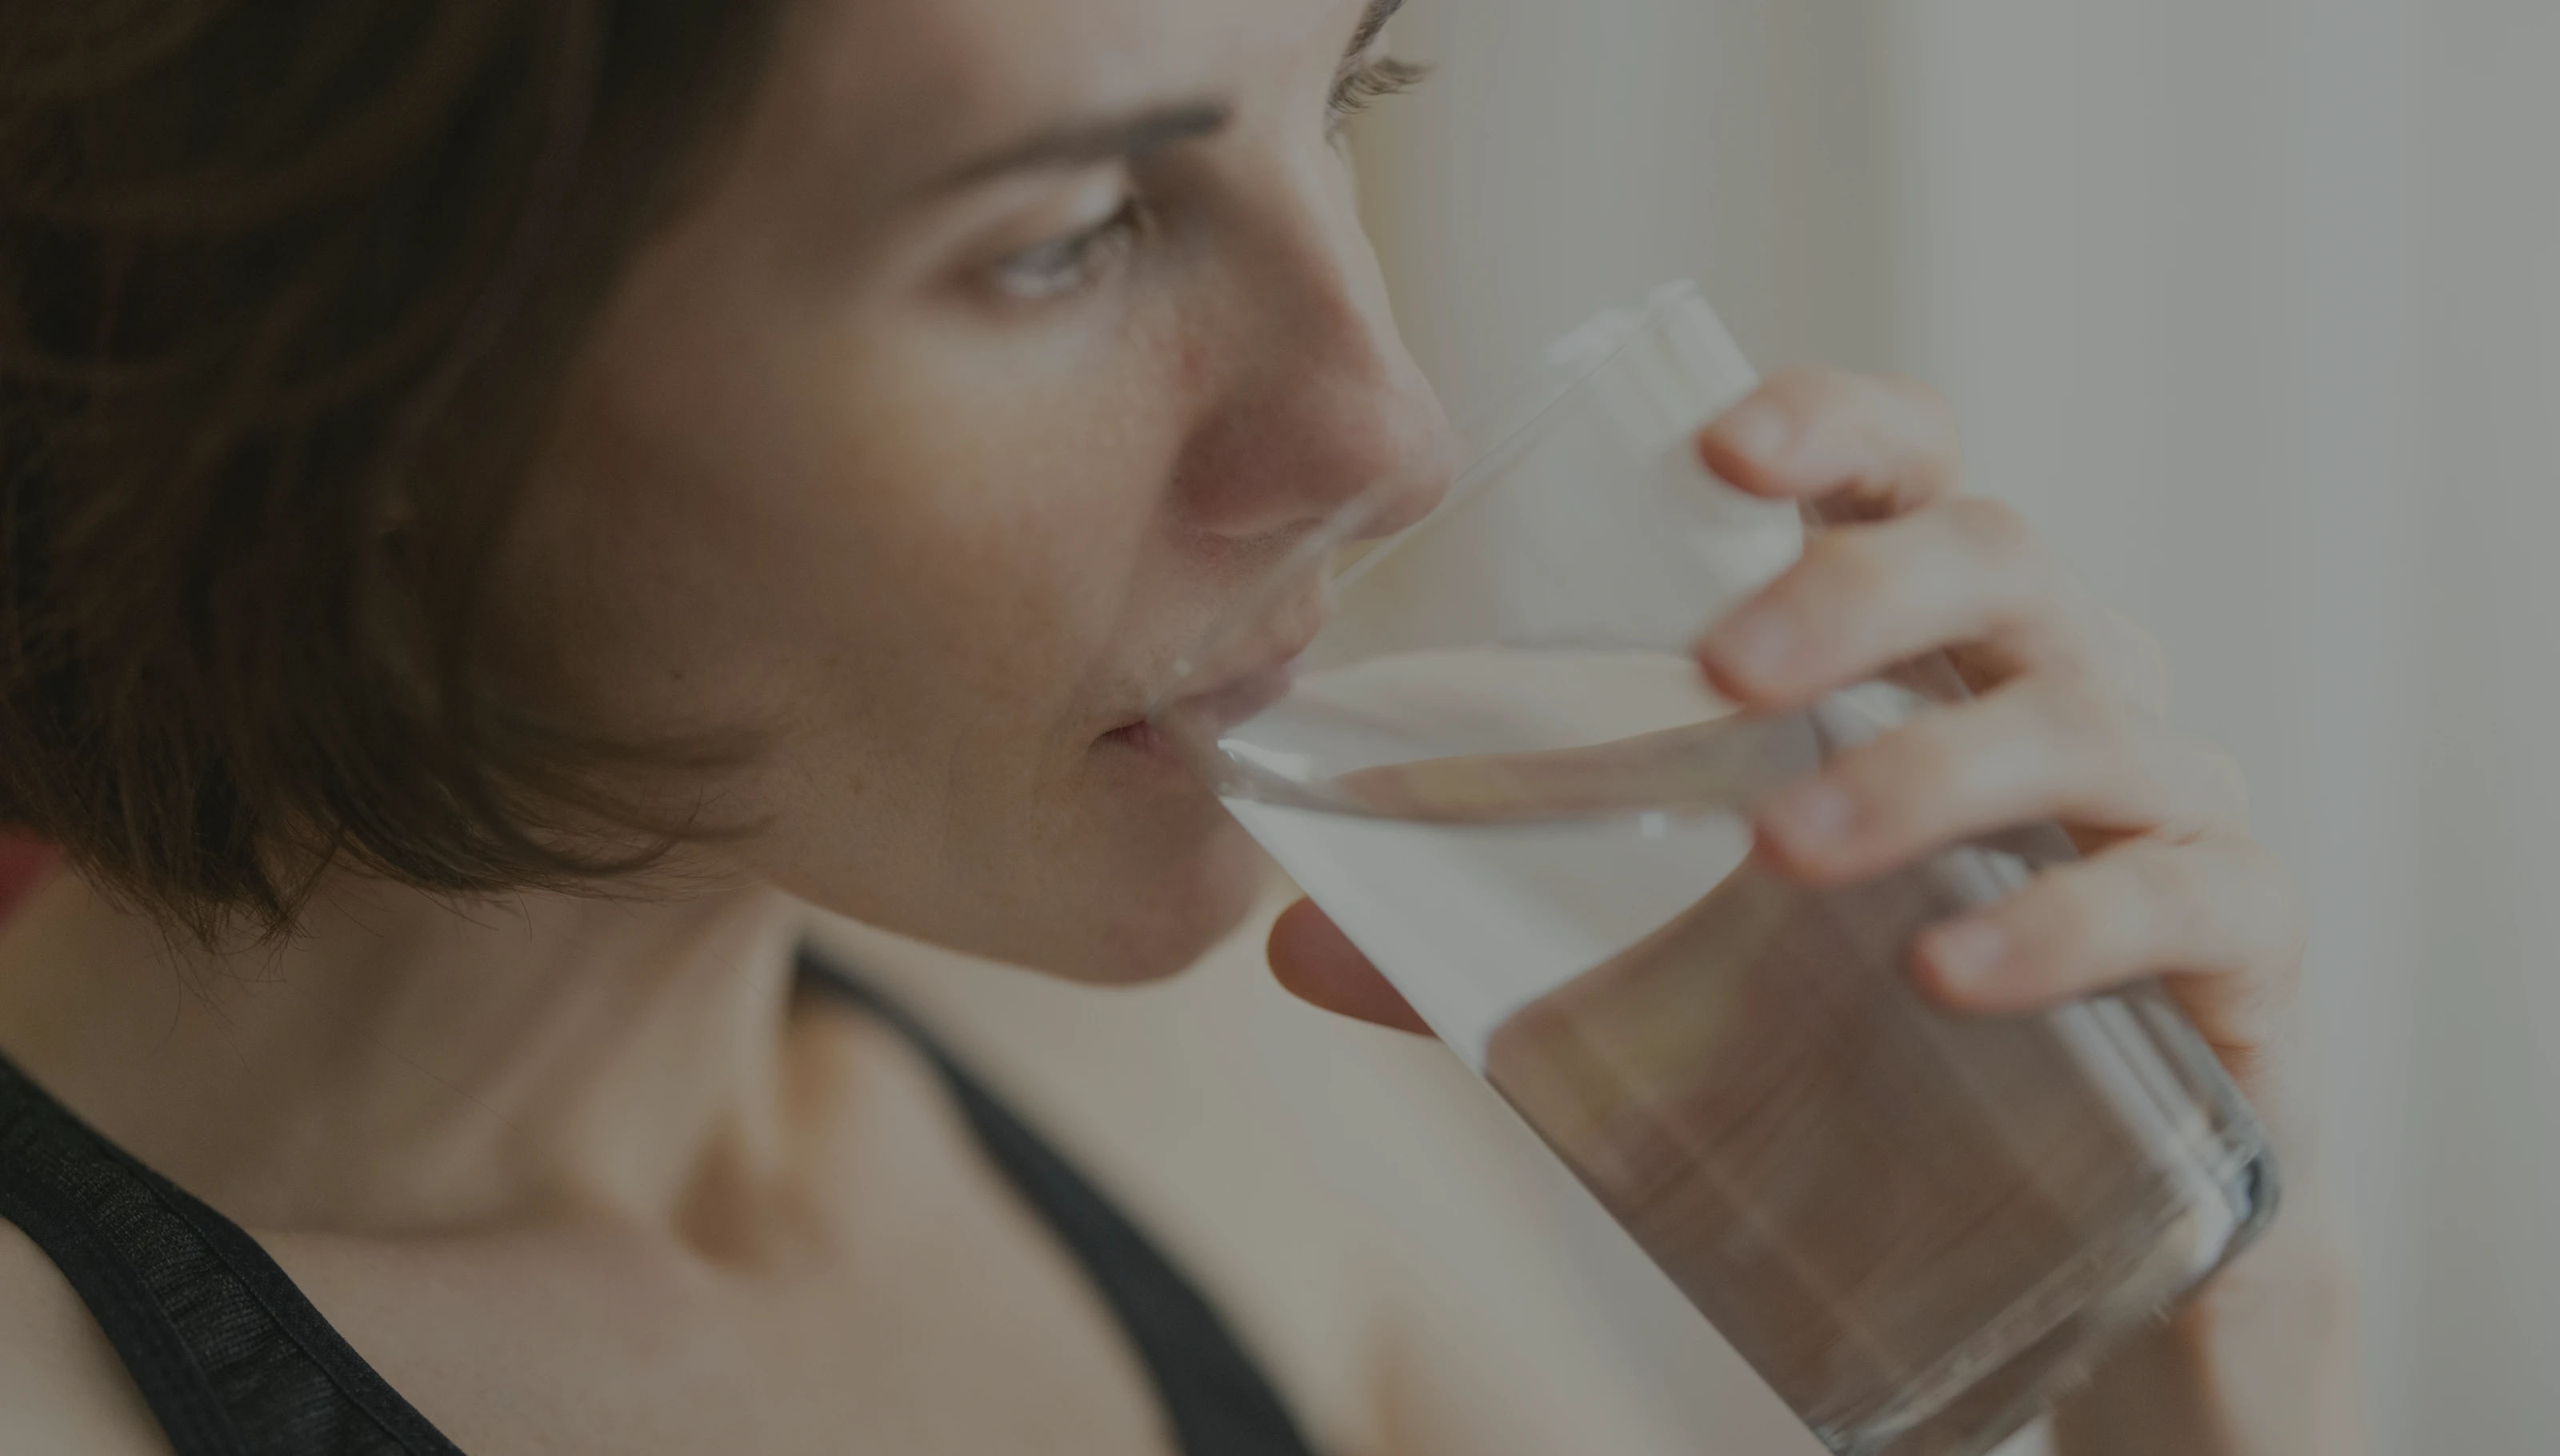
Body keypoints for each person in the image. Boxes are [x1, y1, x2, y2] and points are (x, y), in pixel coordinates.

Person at [0, 1, 2364, 1452]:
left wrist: (2194, 1326)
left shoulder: (1210, 1082)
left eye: (1345, 87)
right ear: (358, 370)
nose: (1389, 424)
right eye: (1065, 234)